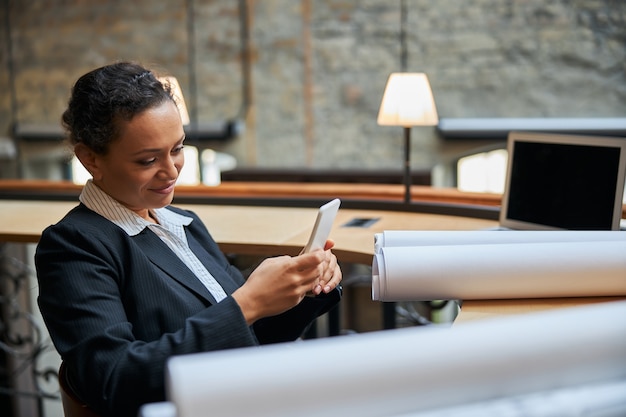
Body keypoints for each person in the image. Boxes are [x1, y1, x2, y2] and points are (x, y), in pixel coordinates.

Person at [35, 62, 343, 417]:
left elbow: (247, 338)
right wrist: (248, 303)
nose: (171, 171)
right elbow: (116, 379)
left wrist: (302, 289)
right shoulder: (75, 246)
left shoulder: (184, 223)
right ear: (90, 159)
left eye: (177, 148)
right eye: (148, 159)